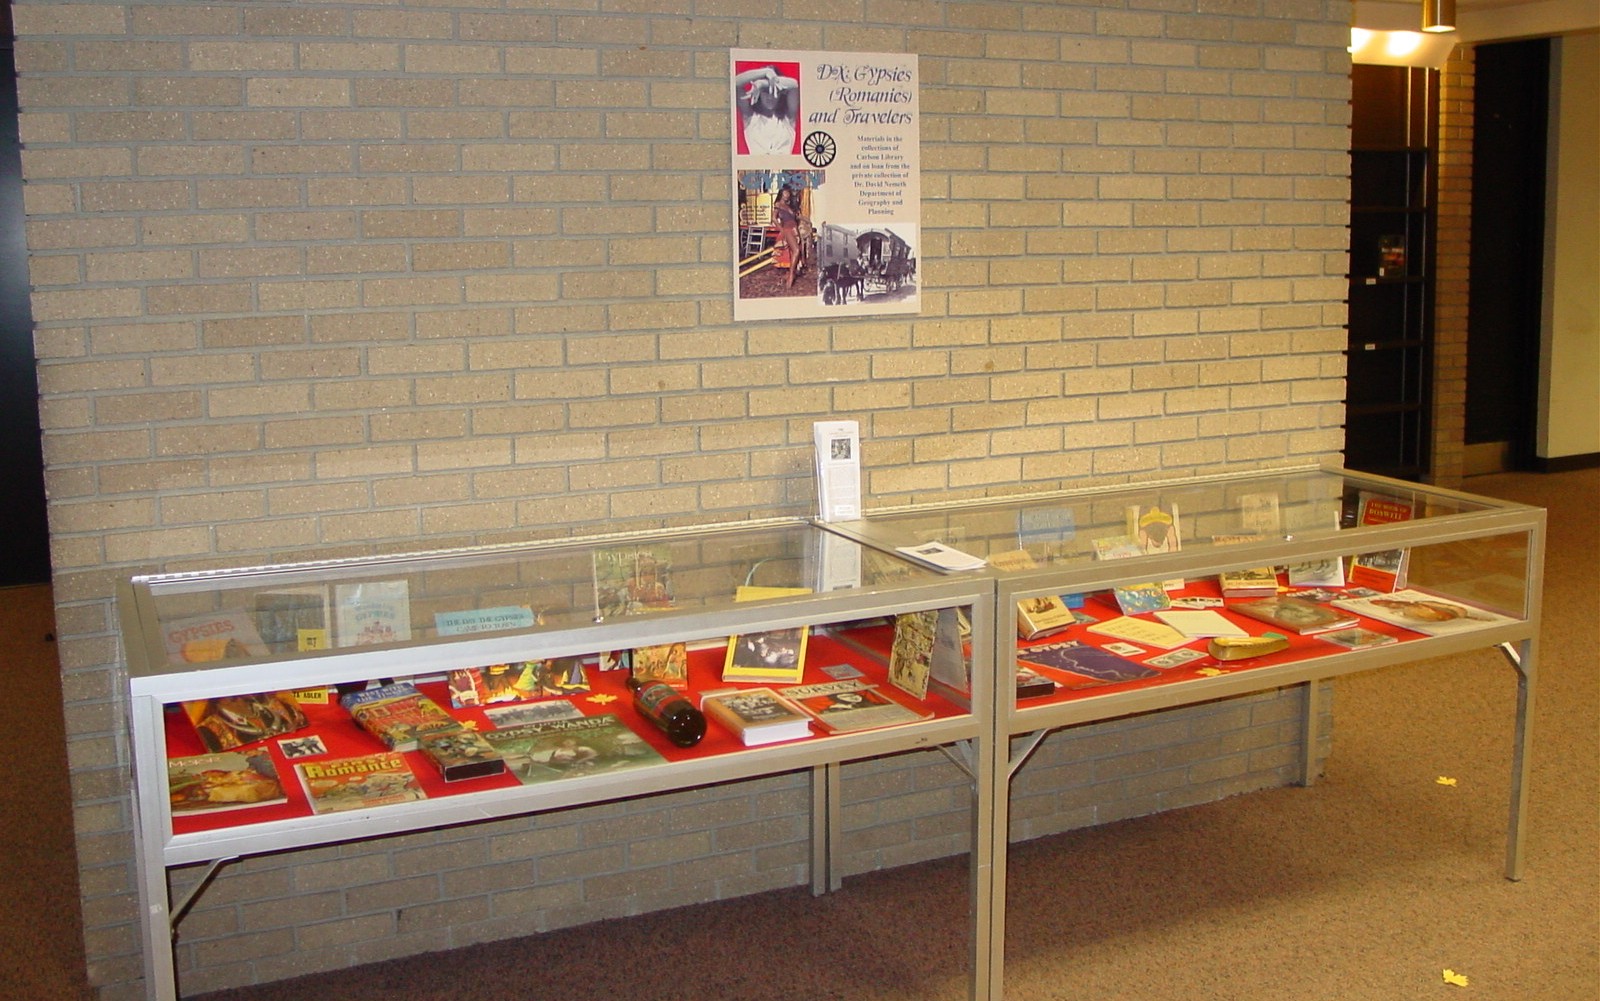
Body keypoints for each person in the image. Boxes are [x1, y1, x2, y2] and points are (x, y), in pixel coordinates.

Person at [734, 64, 799, 155]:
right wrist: (766, 72)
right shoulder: (751, 117)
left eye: (774, 90)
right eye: (765, 91)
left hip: (784, 168)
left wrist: (764, 83)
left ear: (781, 93)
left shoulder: (788, 118)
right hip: (756, 167)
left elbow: (794, 84)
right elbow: (735, 82)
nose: (770, 97)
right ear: (759, 93)